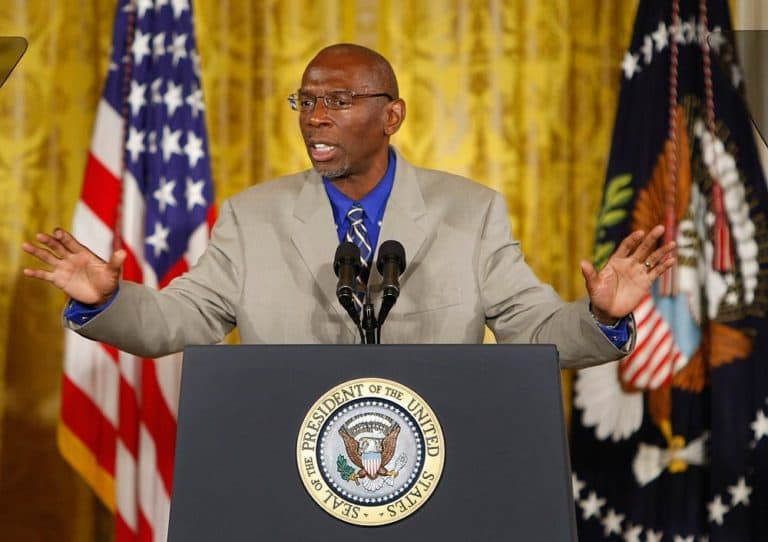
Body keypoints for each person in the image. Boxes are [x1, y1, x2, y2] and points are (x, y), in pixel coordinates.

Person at [21, 43, 674, 369]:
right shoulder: (253, 216)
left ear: (392, 115)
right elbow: (180, 320)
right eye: (306, 101)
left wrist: (598, 317)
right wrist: (107, 301)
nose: (315, 118)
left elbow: (531, 335)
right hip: (292, 467)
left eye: (337, 101)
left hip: (434, 464)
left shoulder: (470, 213)